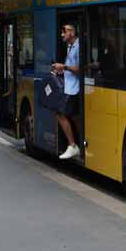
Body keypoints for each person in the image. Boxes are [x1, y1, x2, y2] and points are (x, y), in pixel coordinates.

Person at [52, 24, 81, 159]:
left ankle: (73, 146)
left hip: (74, 89)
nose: (62, 35)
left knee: (59, 113)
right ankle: (82, 141)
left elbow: (80, 69)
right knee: (74, 116)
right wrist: (62, 70)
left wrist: (64, 66)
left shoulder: (79, 46)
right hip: (69, 86)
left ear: (72, 32)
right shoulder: (70, 46)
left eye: (64, 31)